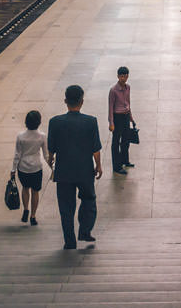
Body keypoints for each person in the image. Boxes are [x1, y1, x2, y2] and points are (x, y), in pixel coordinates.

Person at [47, 85, 103, 249]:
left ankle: (69, 241)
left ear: (65, 101)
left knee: (65, 207)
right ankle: (85, 231)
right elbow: (95, 149)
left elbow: (52, 149)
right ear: (82, 101)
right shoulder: (90, 122)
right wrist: (98, 166)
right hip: (85, 170)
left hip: (63, 171)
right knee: (88, 200)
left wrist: (51, 161)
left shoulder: (55, 122)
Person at [11, 110, 49, 225]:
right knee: (35, 191)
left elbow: (17, 154)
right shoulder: (42, 136)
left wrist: (13, 169)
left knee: (25, 188)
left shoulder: (21, 136)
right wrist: (52, 166)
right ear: (39, 122)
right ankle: (33, 215)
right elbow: (46, 154)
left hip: (23, 168)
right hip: (36, 167)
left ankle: (26, 209)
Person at [108, 66, 136, 175]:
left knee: (125, 140)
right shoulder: (113, 90)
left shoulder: (128, 87)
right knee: (116, 142)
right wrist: (111, 123)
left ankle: (125, 160)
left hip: (125, 117)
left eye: (125, 76)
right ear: (118, 76)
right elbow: (110, 107)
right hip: (117, 117)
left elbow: (128, 103)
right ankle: (117, 166)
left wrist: (131, 118)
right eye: (122, 76)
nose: (124, 78)